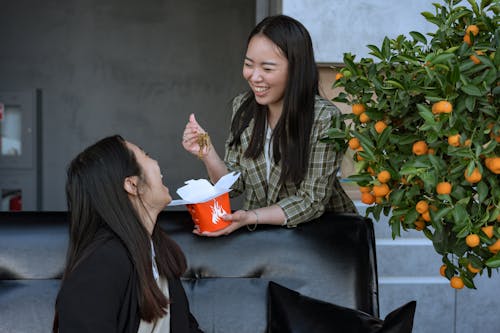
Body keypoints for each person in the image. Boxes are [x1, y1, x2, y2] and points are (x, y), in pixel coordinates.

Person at [182, 15, 356, 237]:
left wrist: (252, 217)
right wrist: (207, 153)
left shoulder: (324, 117)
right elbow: (234, 185)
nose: (254, 77)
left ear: (295, 69)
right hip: (263, 236)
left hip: (323, 239)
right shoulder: (243, 107)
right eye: (248, 64)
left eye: (267, 68)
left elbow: (311, 200)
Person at [53, 135, 203, 333]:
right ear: (132, 185)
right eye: (146, 155)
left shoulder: (155, 251)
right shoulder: (101, 265)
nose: (156, 162)